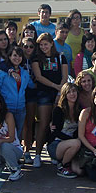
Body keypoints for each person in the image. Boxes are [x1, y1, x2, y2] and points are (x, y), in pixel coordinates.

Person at [31, 33, 68, 168]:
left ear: (51, 43)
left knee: (57, 123)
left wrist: (60, 90)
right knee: (44, 123)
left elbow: (65, 76)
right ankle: (38, 154)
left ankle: (53, 152)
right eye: (41, 45)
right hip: (44, 93)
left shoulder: (60, 57)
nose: (43, 47)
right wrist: (54, 86)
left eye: (46, 44)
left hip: (59, 93)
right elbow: (39, 77)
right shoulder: (36, 58)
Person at [0, 46, 33, 139]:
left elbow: (31, 85)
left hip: (21, 108)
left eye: (19, 56)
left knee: (17, 135)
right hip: (7, 108)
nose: (17, 58)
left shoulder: (25, 73)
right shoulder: (1, 73)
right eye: (14, 55)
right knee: (5, 134)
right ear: (9, 56)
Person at [0, 92, 24, 181]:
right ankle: (0, 166)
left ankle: (15, 169)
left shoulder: (8, 116)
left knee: (4, 146)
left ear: (1, 105)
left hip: (13, 149)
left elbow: (11, 138)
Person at [47, 83, 82, 178]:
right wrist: (72, 139)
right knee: (76, 143)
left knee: (79, 171)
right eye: (69, 92)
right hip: (57, 143)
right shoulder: (58, 110)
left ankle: (67, 162)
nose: (72, 94)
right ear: (64, 95)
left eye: (74, 91)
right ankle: (63, 167)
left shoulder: (80, 110)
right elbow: (55, 132)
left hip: (73, 144)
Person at [20, 37, 38, 164]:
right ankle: (18, 149)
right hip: (18, 93)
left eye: (31, 46)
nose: (28, 49)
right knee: (19, 123)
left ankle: (27, 151)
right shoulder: (16, 58)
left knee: (29, 122)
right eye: (25, 46)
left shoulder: (37, 60)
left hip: (32, 93)